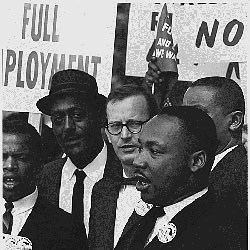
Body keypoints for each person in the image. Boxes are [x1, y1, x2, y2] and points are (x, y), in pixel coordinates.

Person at [115, 106, 246, 250]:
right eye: (140, 148)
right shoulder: (145, 216)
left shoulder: (220, 233)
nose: (137, 161)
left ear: (196, 161)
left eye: (155, 151)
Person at [145, 61, 247, 217]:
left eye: (198, 113)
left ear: (234, 121)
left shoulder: (241, 178)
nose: (186, 121)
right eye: (185, 111)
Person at [36, 69, 123, 237]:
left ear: (99, 117)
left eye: (77, 115)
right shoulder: (42, 178)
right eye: (58, 119)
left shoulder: (126, 172)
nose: (67, 127)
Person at [88, 84, 158, 250]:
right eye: (116, 126)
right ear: (107, 134)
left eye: (134, 124)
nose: (125, 135)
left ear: (155, 125)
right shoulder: (102, 191)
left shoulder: (169, 189)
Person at [2, 118, 87, 250]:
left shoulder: (67, 229)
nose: (9, 166)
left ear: (39, 167)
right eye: (2, 156)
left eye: (21, 158)